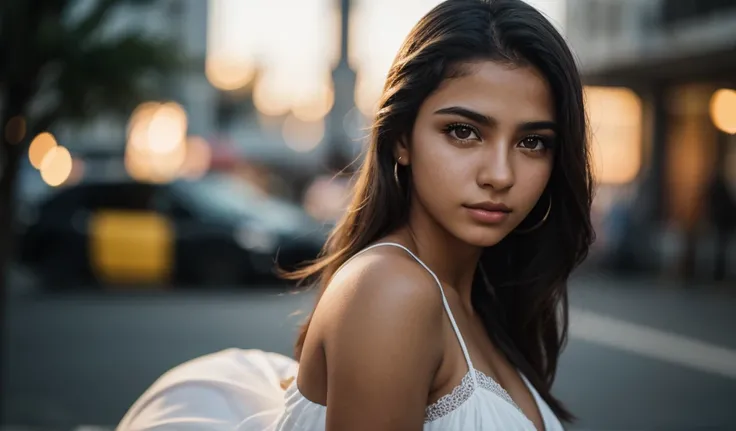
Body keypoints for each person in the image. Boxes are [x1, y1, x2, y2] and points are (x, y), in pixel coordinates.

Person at [117, 0, 593, 429]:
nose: (500, 174)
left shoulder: (481, 299)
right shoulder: (393, 290)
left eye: (533, 142)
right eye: (464, 132)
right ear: (401, 139)